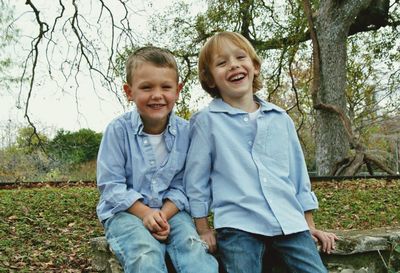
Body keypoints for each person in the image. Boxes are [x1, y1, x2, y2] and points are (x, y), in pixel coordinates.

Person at [184, 31, 338, 273]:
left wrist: (309, 225)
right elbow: (196, 179)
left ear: (254, 66)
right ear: (210, 79)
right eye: (222, 63)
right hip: (238, 224)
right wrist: (203, 228)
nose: (233, 65)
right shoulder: (206, 121)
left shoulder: (280, 118)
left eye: (240, 57)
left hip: (288, 222)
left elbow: (298, 176)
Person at [96, 46, 219, 273]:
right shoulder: (117, 131)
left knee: (193, 249)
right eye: (146, 87)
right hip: (126, 213)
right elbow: (111, 187)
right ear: (129, 91)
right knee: (145, 253)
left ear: (178, 90)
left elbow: (185, 183)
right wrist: (146, 214)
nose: (157, 95)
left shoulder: (187, 132)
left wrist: (162, 214)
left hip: (172, 212)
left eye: (166, 87)